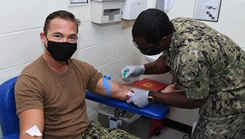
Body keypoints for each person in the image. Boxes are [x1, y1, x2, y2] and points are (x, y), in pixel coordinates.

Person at [14, 10, 142, 139]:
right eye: (58, 36)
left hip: (90, 133)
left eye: (71, 37)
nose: (65, 42)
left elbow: (118, 91)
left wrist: (147, 96)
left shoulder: (82, 69)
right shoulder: (30, 80)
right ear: (43, 37)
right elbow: (31, 133)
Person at [122, 8, 245, 139]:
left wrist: (151, 96)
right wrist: (142, 68)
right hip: (224, 79)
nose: (142, 50)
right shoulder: (174, 26)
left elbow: (195, 99)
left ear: (163, 40)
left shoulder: (190, 55)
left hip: (234, 96)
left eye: (145, 48)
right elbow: (168, 59)